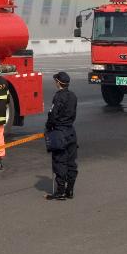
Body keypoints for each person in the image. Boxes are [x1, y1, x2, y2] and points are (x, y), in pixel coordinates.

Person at [44, 71, 78, 201]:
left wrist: (48, 126)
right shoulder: (73, 96)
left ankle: (60, 191)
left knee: (60, 162)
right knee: (71, 162)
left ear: (58, 83)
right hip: (71, 131)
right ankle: (70, 190)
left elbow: (53, 115)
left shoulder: (58, 97)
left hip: (60, 132)